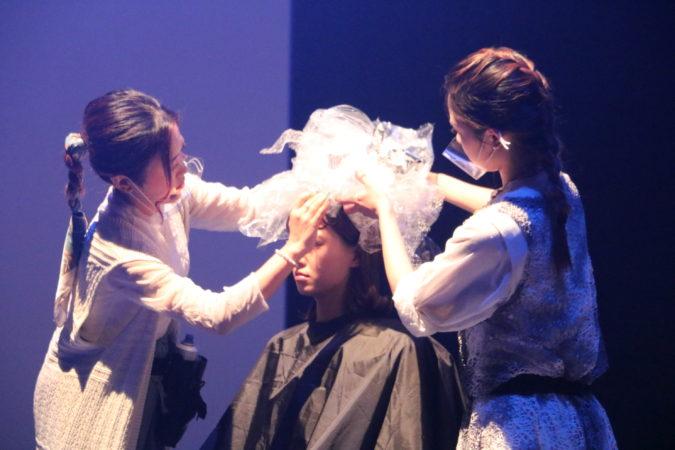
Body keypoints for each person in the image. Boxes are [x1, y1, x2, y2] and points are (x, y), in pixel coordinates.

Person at [346, 47, 617, 448]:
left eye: (458, 130)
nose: (455, 139)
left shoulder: (495, 232)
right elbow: (503, 205)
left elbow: (414, 301)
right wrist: (432, 181)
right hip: (576, 421)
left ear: (491, 137)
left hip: (520, 427)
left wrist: (385, 209)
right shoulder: (561, 191)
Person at [33, 89, 328, 450]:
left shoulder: (170, 193)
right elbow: (218, 314)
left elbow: (250, 207)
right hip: (91, 402)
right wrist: (293, 249)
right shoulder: (118, 251)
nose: (183, 168)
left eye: (180, 153)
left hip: (140, 374)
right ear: (124, 182)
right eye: (171, 162)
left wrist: (328, 185)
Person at [202, 207, 463, 450]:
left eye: (315, 244)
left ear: (356, 255)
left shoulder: (399, 349)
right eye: (296, 242)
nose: (298, 257)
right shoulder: (282, 346)